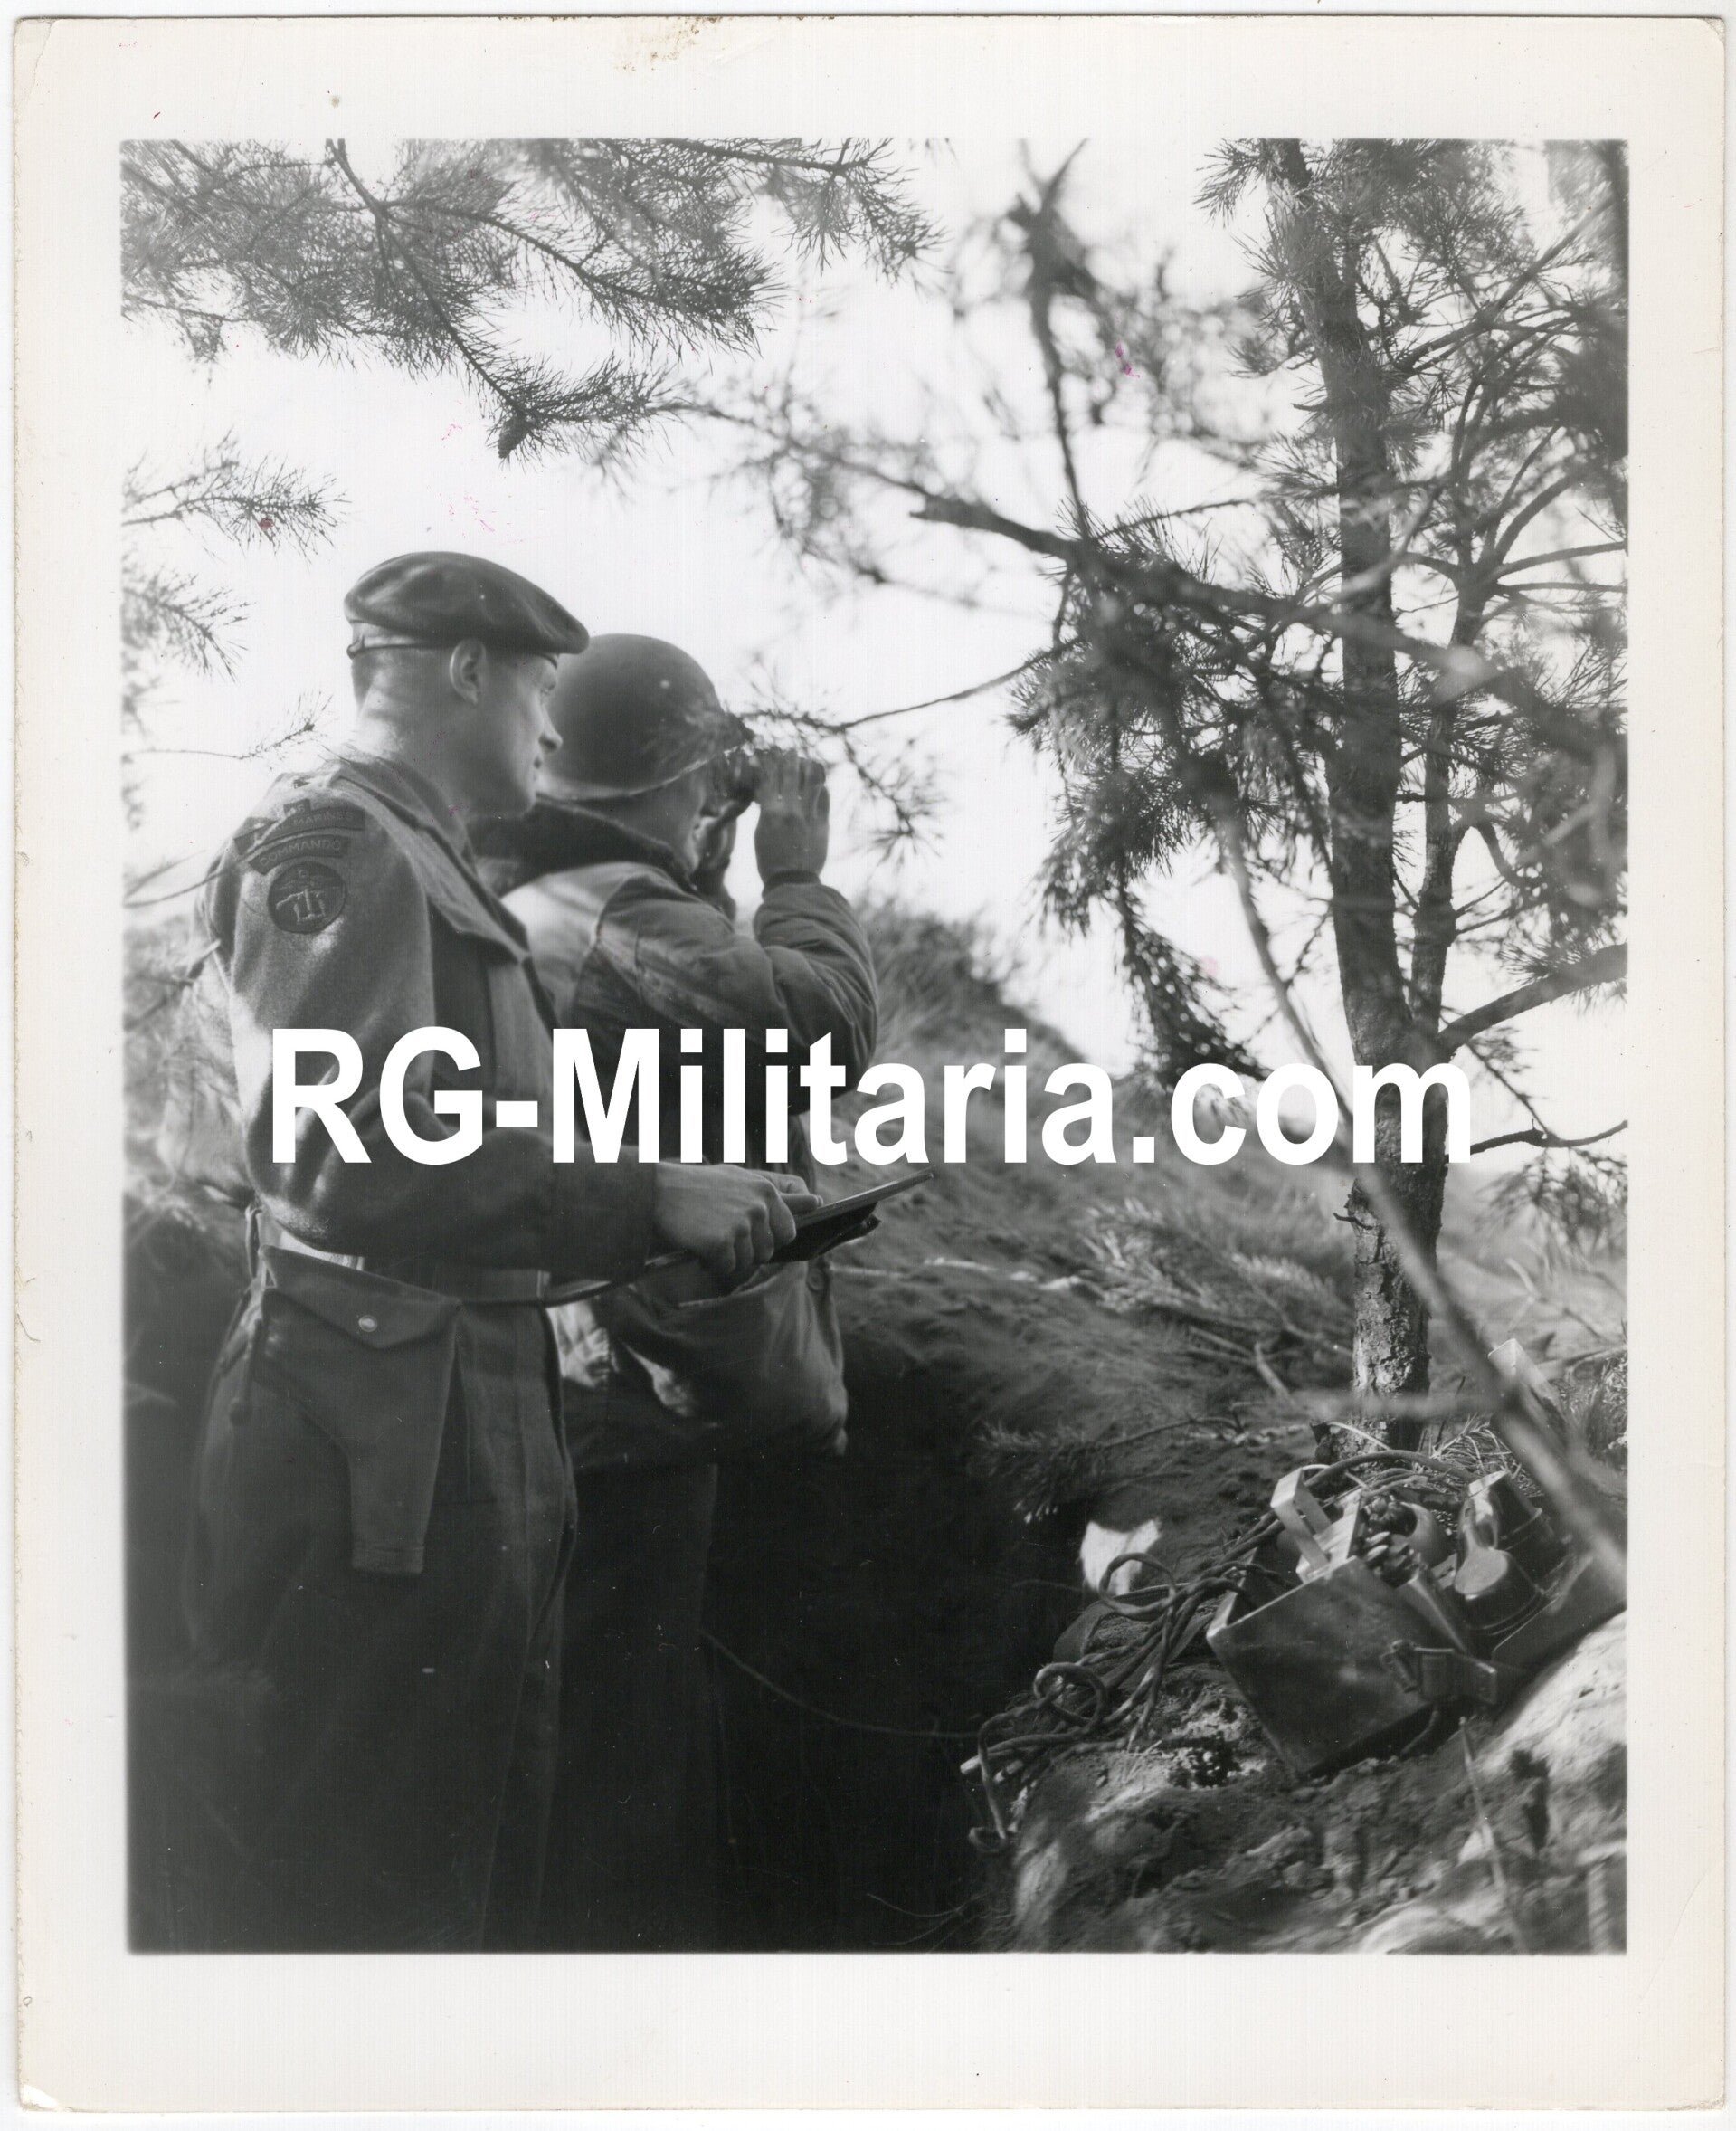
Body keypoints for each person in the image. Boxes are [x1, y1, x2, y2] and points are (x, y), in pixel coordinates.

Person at [157, 557, 813, 1953]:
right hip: (374, 1438)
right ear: (465, 672)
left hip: (455, 1421)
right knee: (368, 1888)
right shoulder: (332, 848)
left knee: (464, 1868)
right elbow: (341, 1154)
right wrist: (647, 1198)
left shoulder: (430, 858)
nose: (551, 733)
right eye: (535, 691)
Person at [493, 633, 878, 1950]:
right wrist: (798, 878)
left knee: (610, 1709)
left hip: (566, 1361)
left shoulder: (547, 888)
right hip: (633, 1386)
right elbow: (818, 1032)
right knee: (626, 1732)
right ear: (695, 775)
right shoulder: (628, 913)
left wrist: (701, 858)